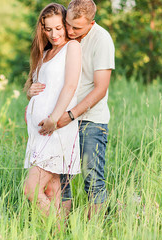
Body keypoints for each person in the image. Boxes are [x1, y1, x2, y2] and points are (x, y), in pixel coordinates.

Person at [27, 0, 115, 219]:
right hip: (61, 121)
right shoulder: (59, 40)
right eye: (68, 25)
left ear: (91, 23)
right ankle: (62, 229)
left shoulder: (101, 40)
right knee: (61, 182)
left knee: (92, 178)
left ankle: (93, 229)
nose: (69, 31)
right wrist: (31, 91)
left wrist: (69, 115)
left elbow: (100, 88)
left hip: (89, 119)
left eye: (77, 28)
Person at [23, 3, 82, 218]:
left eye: (58, 28)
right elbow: (40, 88)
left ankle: (56, 228)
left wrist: (54, 119)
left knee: (31, 189)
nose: (54, 34)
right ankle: (58, 232)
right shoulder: (45, 53)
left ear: (65, 25)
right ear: (42, 28)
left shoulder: (72, 47)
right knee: (52, 189)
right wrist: (30, 93)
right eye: (48, 29)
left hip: (55, 130)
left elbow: (70, 86)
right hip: (39, 134)